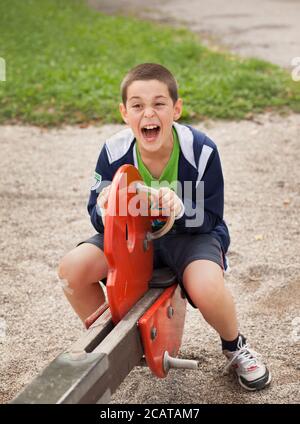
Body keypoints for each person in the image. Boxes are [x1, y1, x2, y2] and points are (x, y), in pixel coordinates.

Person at [58, 63, 271, 391]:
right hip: (134, 236)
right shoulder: (114, 152)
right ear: (124, 113)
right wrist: (105, 209)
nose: (148, 114)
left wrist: (180, 208)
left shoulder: (201, 150)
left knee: (207, 287)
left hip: (189, 236)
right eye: (137, 105)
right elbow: (95, 213)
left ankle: (235, 345)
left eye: (159, 103)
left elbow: (212, 216)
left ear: (176, 108)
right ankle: (113, 330)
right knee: (71, 271)